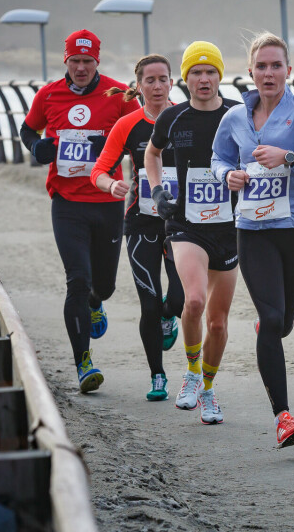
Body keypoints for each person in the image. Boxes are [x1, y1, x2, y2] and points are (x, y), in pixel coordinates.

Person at [210, 33, 294, 448]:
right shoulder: (234, 117)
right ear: (251, 72)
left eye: (276, 65)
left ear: (288, 71)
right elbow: (219, 157)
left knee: (282, 324)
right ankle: (283, 417)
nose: (269, 73)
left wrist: (289, 157)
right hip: (252, 231)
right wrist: (229, 176)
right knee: (274, 321)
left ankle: (269, 323)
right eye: (261, 66)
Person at [20, 29, 138, 393]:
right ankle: (83, 362)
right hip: (67, 203)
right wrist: (38, 147)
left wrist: (114, 144)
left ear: (97, 62)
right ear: (66, 62)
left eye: (88, 61)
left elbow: (144, 134)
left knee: (103, 285)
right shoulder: (49, 94)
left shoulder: (120, 94)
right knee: (77, 279)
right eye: (76, 61)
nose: (82, 68)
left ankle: (95, 303)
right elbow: (27, 130)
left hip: (108, 203)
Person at [144, 41, 239, 424]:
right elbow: (152, 155)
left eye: (210, 71)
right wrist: (156, 190)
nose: (204, 79)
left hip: (230, 228)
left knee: (217, 322)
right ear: (185, 78)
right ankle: (191, 373)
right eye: (196, 72)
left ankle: (210, 391)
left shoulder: (238, 114)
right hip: (185, 225)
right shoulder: (172, 118)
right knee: (194, 301)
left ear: (220, 75)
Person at [91, 54, 185, 402]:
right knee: (147, 305)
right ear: (139, 86)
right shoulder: (128, 125)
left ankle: (168, 314)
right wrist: (109, 185)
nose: (157, 86)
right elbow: (100, 169)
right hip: (141, 222)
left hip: (181, 223)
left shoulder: (186, 117)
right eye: (150, 80)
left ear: (172, 83)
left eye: (163, 79)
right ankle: (157, 375)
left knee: (179, 297)